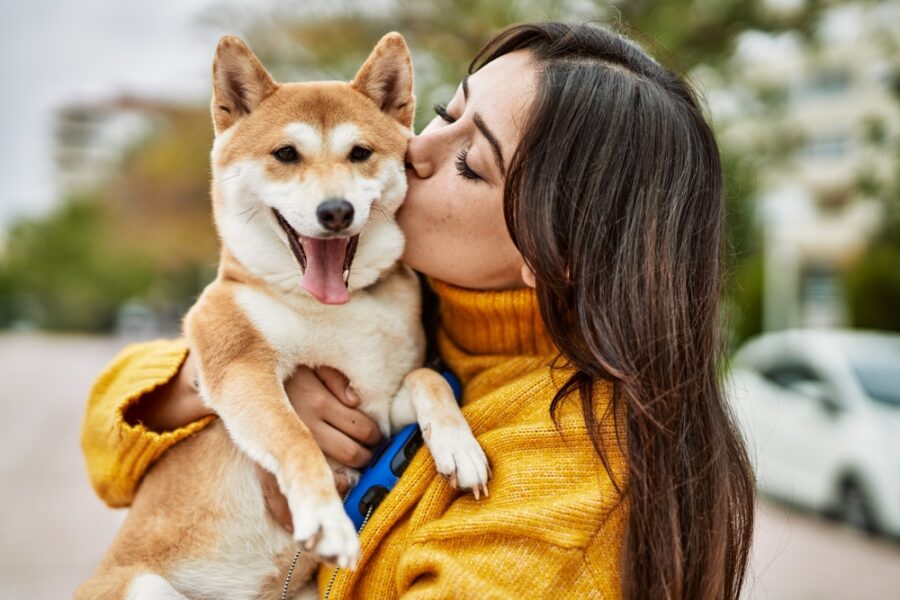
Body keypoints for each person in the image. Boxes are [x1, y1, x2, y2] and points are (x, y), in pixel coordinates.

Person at [81, 21, 755, 599]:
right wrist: (209, 391)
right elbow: (103, 445)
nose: (415, 149)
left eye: (472, 162)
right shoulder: (391, 278)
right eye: (444, 111)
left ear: (558, 248)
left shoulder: (570, 478)